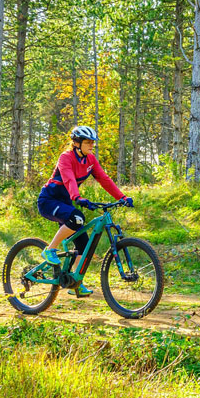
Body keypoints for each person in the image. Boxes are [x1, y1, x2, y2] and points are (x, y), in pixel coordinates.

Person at [38, 125, 131, 297]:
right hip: (49, 201)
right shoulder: (65, 157)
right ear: (77, 143)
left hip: (66, 203)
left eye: (92, 142)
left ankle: (75, 282)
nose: (91, 145)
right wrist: (77, 197)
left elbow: (104, 179)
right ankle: (49, 249)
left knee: (83, 244)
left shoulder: (90, 160)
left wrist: (122, 197)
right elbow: (68, 178)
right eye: (88, 142)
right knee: (77, 217)